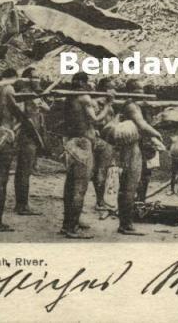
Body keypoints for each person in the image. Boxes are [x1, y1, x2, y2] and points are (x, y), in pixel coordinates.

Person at [0, 68, 44, 232]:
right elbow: (16, 110)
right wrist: (28, 123)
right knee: (1, 179)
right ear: (14, 78)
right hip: (4, 135)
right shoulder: (8, 89)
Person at [103, 79, 164, 235]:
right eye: (139, 89)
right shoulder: (131, 105)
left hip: (132, 147)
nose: (142, 93)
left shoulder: (134, 105)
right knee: (129, 186)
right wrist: (157, 134)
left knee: (129, 185)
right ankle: (125, 225)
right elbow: (142, 125)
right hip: (130, 149)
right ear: (132, 91)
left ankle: (126, 223)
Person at [60, 72, 113, 239]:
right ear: (83, 82)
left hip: (71, 142)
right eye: (87, 82)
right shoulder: (84, 97)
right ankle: (71, 227)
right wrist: (108, 104)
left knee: (71, 185)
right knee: (79, 187)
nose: (89, 85)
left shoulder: (70, 98)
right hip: (82, 143)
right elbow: (96, 120)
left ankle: (68, 223)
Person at [13, 67, 50, 216]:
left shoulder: (34, 96)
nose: (38, 80)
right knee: (23, 171)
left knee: (26, 170)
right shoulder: (22, 96)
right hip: (27, 136)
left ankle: (22, 203)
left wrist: (39, 102)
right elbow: (21, 116)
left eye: (38, 78)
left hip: (34, 137)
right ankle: (22, 205)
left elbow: (46, 108)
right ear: (27, 79)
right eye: (34, 78)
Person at [91, 77, 117, 212]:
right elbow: (95, 122)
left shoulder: (108, 103)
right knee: (100, 171)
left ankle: (100, 200)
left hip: (108, 140)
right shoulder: (96, 103)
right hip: (100, 140)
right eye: (110, 88)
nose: (114, 90)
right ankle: (99, 202)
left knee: (104, 171)